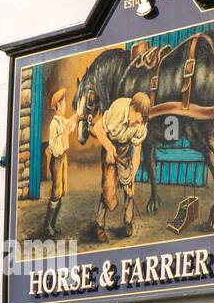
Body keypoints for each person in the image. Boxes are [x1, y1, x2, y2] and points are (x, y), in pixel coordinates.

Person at [90, 91, 151, 241]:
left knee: (129, 189)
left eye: (140, 122)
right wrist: (109, 147)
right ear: (132, 108)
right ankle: (99, 224)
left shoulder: (141, 126)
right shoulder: (118, 109)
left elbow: (136, 153)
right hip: (109, 146)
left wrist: (132, 178)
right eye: (136, 120)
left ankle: (128, 221)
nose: (137, 124)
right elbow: (98, 129)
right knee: (108, 187)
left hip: (124, 152)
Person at [42, 87, 77, 237]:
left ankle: (54, 223)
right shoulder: (54, 124)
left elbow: (71, 124)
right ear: (57, 106)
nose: (64, 106)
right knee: (56, 191)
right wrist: (66, 131)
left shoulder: (62, 120)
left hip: (63, 158)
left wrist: (77, 116)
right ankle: (47, 225)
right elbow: (54, 148)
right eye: (62, 103)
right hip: (57, 159)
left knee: (62, 191)